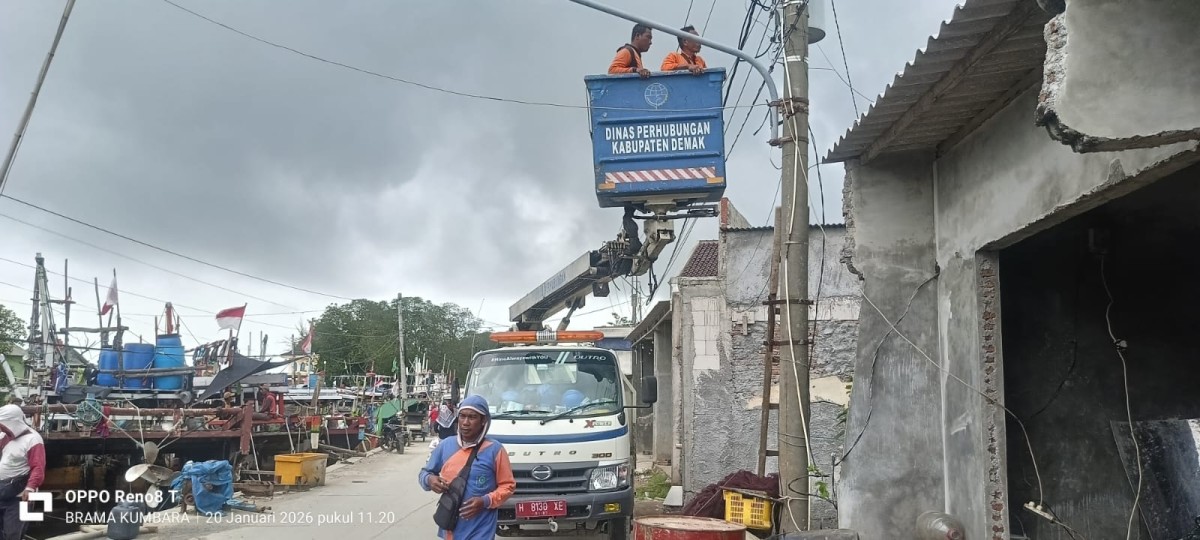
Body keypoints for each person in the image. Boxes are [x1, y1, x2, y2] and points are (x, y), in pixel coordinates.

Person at [419, 395, 515, 540]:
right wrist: (430, 479)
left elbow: (508, 486)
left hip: (481, 529)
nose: (465, 422)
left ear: (483, 421)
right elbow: (424, 473)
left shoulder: (495, 450)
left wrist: (485, 501)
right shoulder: (445, 446)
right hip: (450, 528)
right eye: (462, 416)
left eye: (472, 417)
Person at [0, 404, 45, 540]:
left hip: (19, 495)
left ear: (13, 422)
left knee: (12, 533)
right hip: (2, 491)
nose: (2, 427)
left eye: (3, 424)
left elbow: (38, 467)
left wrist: (30, 488)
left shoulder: (33, 440)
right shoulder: (4, 436)